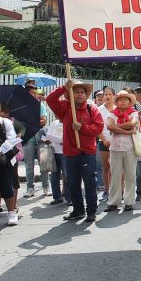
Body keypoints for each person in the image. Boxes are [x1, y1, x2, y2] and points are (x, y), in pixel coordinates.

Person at [46, 80, 104, 223]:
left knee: (90, 183)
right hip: (70, 152)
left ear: (85, 95)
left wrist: (82, 128)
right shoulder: (65, 107)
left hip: (87, 152)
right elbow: (50, 99)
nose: (79, 94)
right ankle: (78, 210)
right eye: (76, 91)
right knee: (72, 183)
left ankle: (91, 211)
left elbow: (98, 128)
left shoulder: (92, 109)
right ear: (71, 94)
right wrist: (63, 88)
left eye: (82, 92)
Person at [104, 91, 139, 213]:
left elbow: (132, 123)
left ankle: (129, 201)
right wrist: (127, 131)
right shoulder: (112, 114)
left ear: (130, 102)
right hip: (115, 148)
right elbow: (109, 127)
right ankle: (113, 202)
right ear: (117, 102)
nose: (123, 101)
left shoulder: (133, 113)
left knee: (130, 175)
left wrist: (117, 128)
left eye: (126, 99)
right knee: (115, 176)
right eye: (120, 99)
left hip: (130, 148)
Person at [22, 82, 50, 198]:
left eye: (35, 93)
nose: (34, 95)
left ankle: (46, 187)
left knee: (44, 163)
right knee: (29, 165)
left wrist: (30, 121)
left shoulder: (40, 106)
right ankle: (30, 188)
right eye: (31, 93)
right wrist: (35, 121)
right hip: (28, 138)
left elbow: (44, 122)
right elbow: (20, 123)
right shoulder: (22, 107)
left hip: (40, 137)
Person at [0, 98, 20, 226]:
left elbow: (12, 139)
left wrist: (0, 151)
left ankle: (11, 212)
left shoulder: (5, 122)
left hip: (4, 159)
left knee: (6, 185)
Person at [97, 87, 115, 202]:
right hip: (103, 142)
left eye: (110, 94)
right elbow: (97, 127)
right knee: (106, 167)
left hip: (117, 142)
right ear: (103, 96)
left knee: (116, 168)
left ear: (113, 95)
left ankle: (117, 190)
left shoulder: (118, 109)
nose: (107, 96)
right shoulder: (98, 110)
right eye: (105, 94)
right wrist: (104, 139)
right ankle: (107, 190)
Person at [45, 118, 69, 205]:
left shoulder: (68, 122)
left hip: (65, 152)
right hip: (53, 151)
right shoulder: (53, 123)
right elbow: (49, 136)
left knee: (67, 175)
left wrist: (66, 141)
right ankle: (57, 197)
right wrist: (47, 141)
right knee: (54, 175)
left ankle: (69, 197)